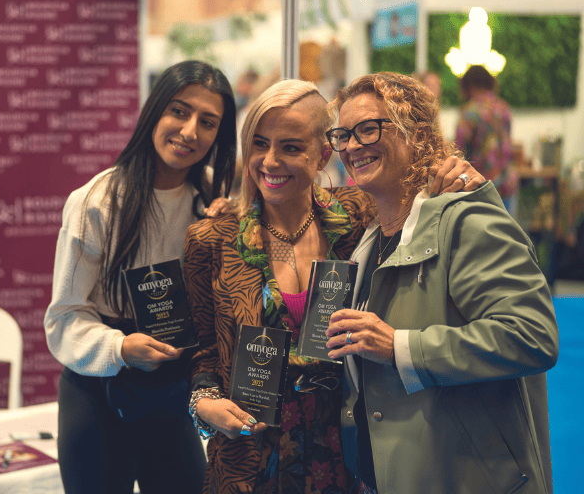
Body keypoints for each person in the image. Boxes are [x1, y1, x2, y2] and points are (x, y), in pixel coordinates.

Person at [183, 79, 484, 494]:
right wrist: (204, 403)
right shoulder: (211, 239)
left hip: (345, 454)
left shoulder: (360, 216)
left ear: (324, 153)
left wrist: (459, 173)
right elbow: (202, 350)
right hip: (249, 462)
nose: (270, 162)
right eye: (258, 144)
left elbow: (419, 179)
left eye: (290, 147)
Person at [324, 72, 559, 494]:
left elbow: (531, 335)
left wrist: (399, 346)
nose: (352, 146)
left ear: (416, 133)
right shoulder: (369, 240)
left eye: (369, 129)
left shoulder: (466, 220)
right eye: (343, 135)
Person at [44, 60, 237, 494]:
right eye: (178, 111)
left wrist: (230, 233)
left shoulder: (212, 203)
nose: (189, 131)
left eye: (207, 123)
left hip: (173, 390)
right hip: (99, 392)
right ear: (154, 113)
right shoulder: (97, 201)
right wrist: (119, 348)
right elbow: (63, 320)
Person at [455, 64, 519, 210]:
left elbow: (459, 152)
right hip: (506, 180)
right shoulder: (503, 108)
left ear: (468, 85)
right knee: (505, 230)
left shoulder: (469, 112)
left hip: (480, 185)